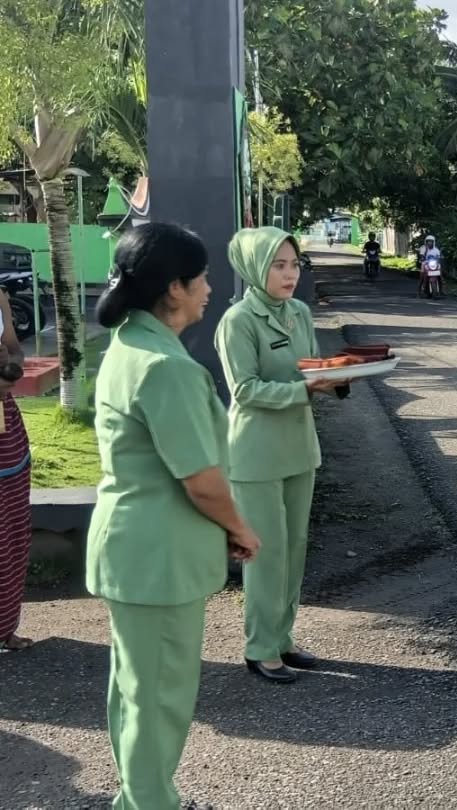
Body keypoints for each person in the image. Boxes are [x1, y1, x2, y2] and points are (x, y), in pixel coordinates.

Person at [87, 222, 261, 809]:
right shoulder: (168, 367)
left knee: (136, 691)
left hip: (132, 547)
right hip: (157, 555)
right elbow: (202, 482)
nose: (210, 289)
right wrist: (240, 527)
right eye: (202, 278)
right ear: (174, 289)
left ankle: (140, 797)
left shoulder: (130, 344)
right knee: (160, 697)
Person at [215, 226, 341, 684]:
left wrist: (339, 376)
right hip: (256, 453)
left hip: (299, 447)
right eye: (278, 266)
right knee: (266, 554)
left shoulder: (299, 312)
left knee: (295, 549)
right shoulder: (238, 321)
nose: (290, 275)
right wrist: (303, 391)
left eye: (294, 265)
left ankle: (283, 637)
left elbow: (310, 367)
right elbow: (245, 390)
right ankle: (260, 648)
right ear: (254, 268)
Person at [0, 289, 32, 652]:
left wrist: (11, 369)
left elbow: (14, 347)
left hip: (4, 425)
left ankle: (5, 626)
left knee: (9, 524)